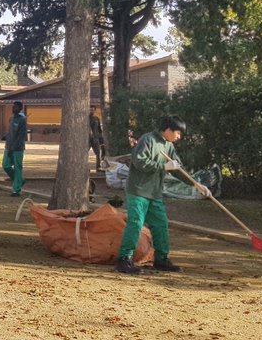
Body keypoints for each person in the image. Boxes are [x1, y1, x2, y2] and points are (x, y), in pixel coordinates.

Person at [115, 115, 205, 275]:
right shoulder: (147, 140)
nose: (179, 137)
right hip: (138, 191)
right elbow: (139, 162)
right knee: (135, 224)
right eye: (178, 133)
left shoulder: (169, 146)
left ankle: (161, 259)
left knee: (161, 225)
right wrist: (164, 166)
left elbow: (177, 168)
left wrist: (196, 184)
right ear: (168, 130)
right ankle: (124, 259)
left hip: (154, 193)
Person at [2, 101, 27, 197]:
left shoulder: (22, 119)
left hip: (18, 148)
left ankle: (17, 190)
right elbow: (11, 131)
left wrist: (14, 147)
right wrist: (6, 136)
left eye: (16, 107)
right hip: (8, 146)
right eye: (13, 107)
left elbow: (21, 136)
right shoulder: (11, 118)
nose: (14, 108)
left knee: (17, 168)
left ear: (20, 108)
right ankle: (20, 180)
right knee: (6, 165)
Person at [88, 105, 107, 171]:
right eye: (90, 109)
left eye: (93, 109)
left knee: (98, 153)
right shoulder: (85, 118)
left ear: (95, 110)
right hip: (87, 139)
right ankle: (85, 167)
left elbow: (99, 130)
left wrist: (101, 139)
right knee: (84, 154)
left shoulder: (97, 118)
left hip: (96, 138)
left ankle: (98, 167)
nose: (91, 111)